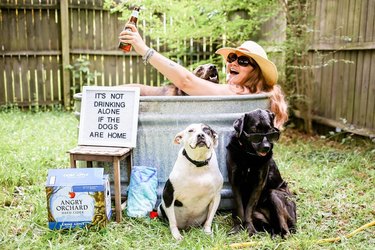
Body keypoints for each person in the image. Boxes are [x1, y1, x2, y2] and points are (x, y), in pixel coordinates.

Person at [119, 24, 288, 129]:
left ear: (256, 71)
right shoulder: (259, 94)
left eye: (243, 61)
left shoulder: (240, 92)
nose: (233, 63)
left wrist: (143, 49)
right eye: (231, 58)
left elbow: (186, 81)